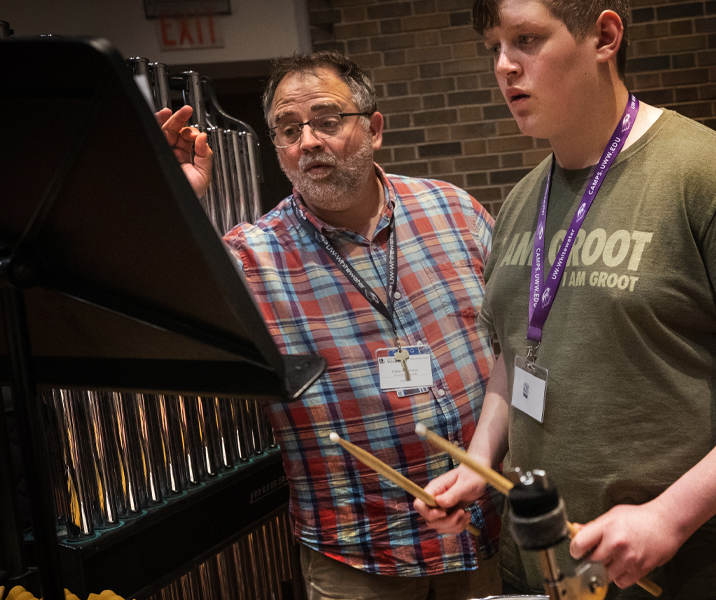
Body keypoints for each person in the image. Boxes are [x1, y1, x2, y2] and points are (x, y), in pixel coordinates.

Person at [414, 1, 716, 599]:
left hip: (689, 576)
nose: (504, 67)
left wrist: (670, 515)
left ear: (605, 36)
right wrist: (477, 463)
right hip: (550, 569)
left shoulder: (709, 176)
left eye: (526, 40)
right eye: (494, 47)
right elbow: (515, 356)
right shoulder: (520, 202)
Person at [164, 51, 503, 600]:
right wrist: (173, 202)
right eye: (289, 129)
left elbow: (520, 341)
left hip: (484, 533)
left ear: (373, 128)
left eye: (327, 120)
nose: (309, 142)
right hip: (359, 554)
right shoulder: (252, 258)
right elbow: (163, 318)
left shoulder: (455, 212)